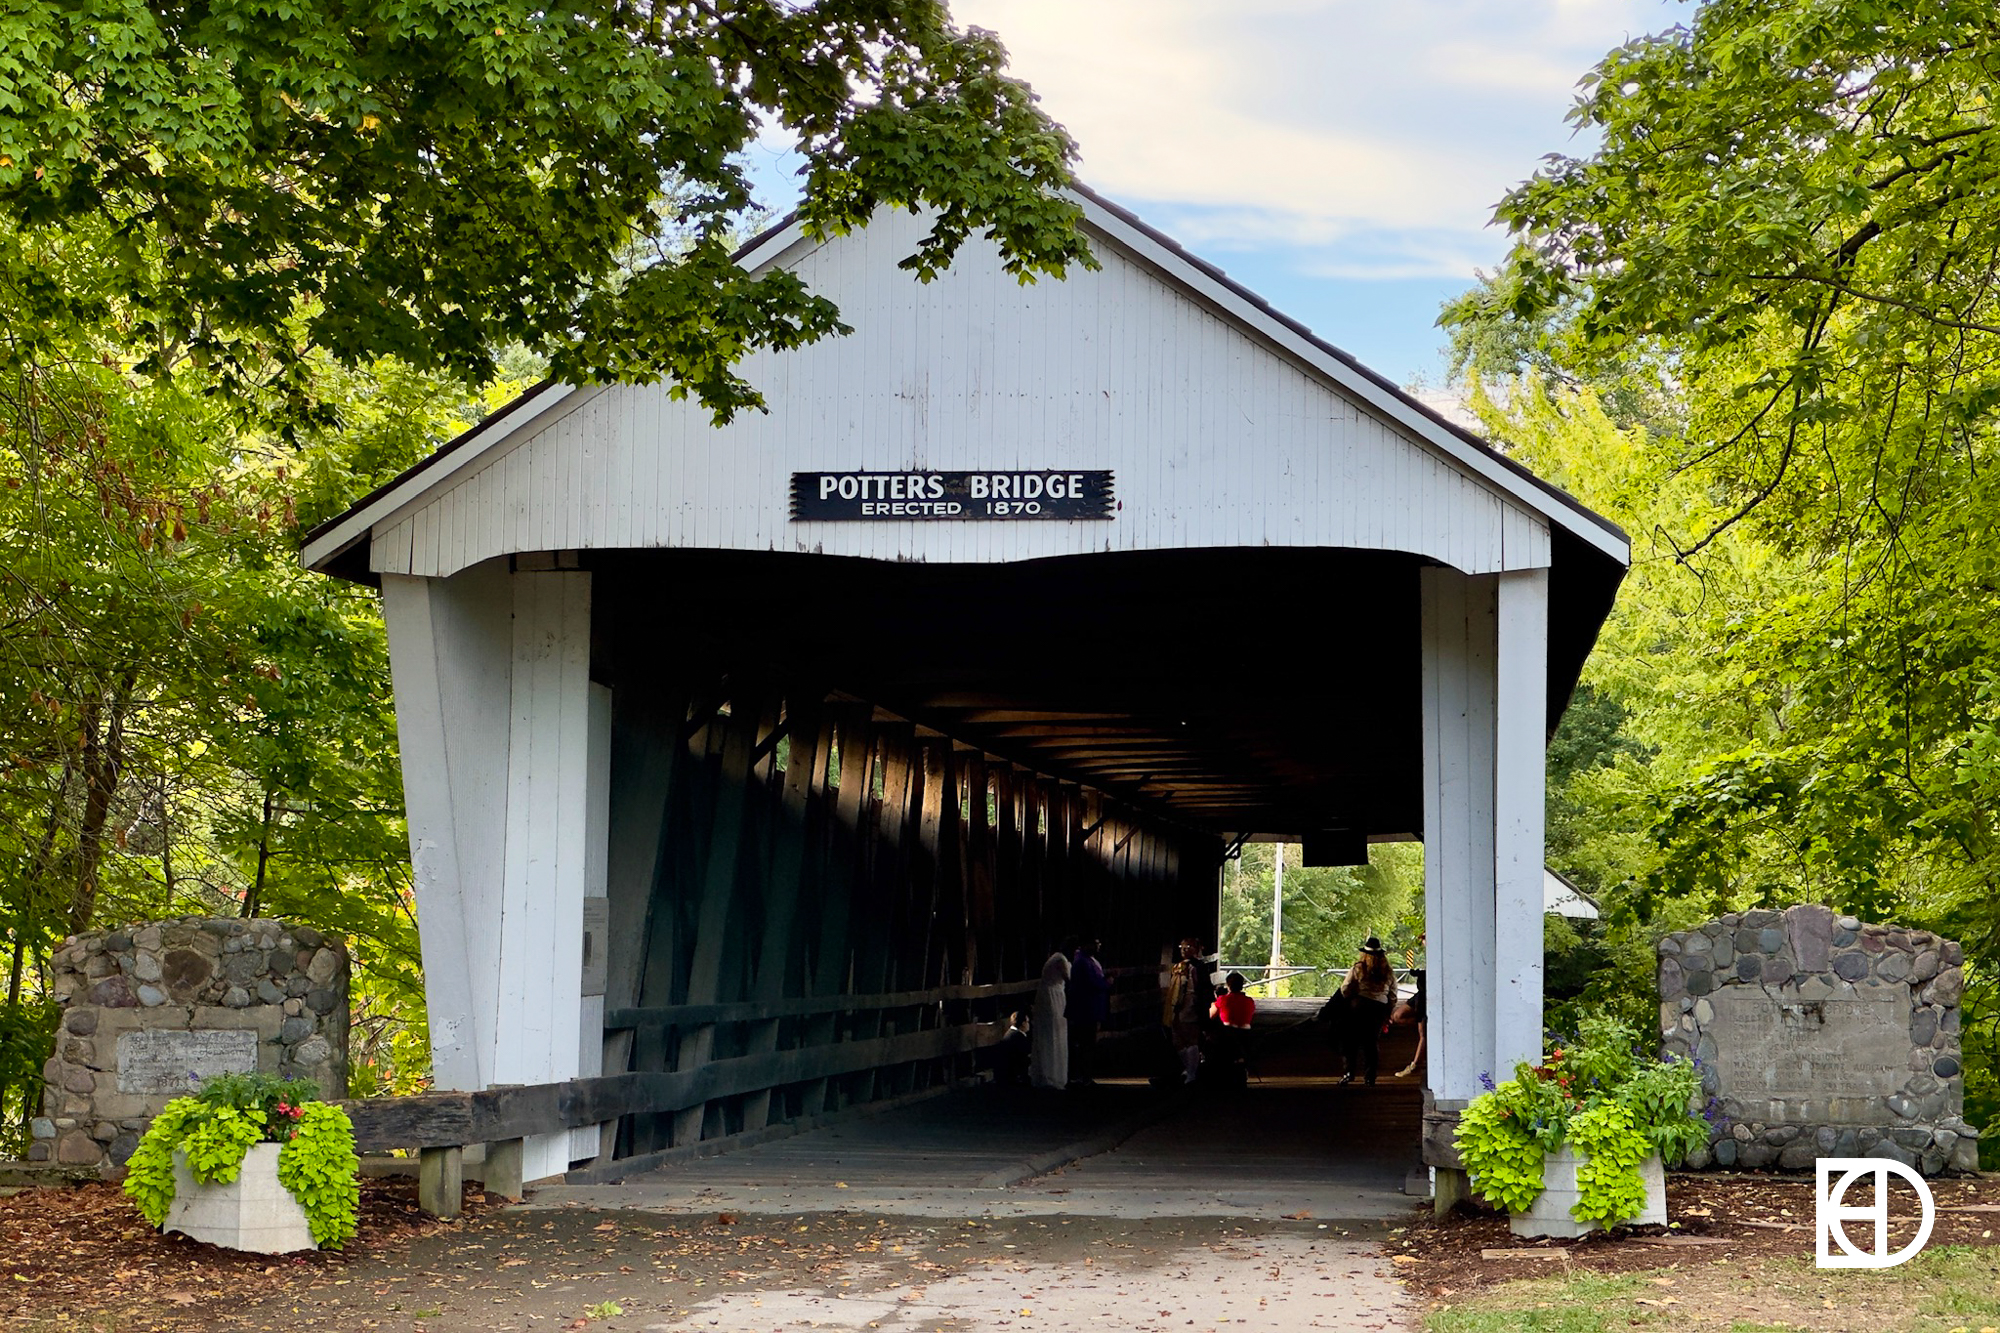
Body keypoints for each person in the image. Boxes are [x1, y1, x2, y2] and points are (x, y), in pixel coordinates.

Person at [1339, 937, 1394, 1085]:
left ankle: (1349, 1073)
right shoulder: (1387, 971)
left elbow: (1345, 988)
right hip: (1379, 1008)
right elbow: (1393, 994)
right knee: (1371, 1043)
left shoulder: (1358, 968)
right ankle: (1370, 1077)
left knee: (1351, 1040)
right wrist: (1388, 1012)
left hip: (1360, 1006)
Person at [1162, 937, 1212, 1084]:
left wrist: (1202, 1008)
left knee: (1190, 1037)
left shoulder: (1198, 967)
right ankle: (1188, 1067)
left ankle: (1192, 1073)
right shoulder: (1178, 967)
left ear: (1196, 950)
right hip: (1176, 1005)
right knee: (1177, 1038)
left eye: (1188, 947)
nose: (1184, 950)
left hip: (1191, 1005)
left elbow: (1203, 989)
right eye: (1182, 947)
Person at [1068, 937, 1110, 1086]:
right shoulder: (1082, 962)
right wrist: (1106, 982)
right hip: (1085, 1009)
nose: (1099, 946)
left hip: (1089, 1008)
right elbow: (1090, 983)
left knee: (1087, 1043)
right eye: (1096, 943)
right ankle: (1081, 1076)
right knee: (1085, 1043)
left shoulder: (1088, 960)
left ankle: (1084, 1075)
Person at [1031, 940, 1072, 1089]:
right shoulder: (1060, 959)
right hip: (1052, 996)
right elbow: (1068, 978)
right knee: (1052, 1032)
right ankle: (1051, 1074)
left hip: (1055, 994)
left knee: (1054, 1031)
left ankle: (1052, 1073)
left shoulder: (1057, 958)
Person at [1394, 967, 1427, 1078]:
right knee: (1398, 1016)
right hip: (1421, 995)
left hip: (1425, 994)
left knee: (1423, 1035)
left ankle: (1415, 1065)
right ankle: (1422, 1021)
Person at [997, 1011, 1032, 1086]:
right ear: (1023, 1023)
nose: (1029, 1024)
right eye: (1027, 1022)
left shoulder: (1008, 1034)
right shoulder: (1019, 1038)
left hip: (1003, 1076)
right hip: (1014, 1078)